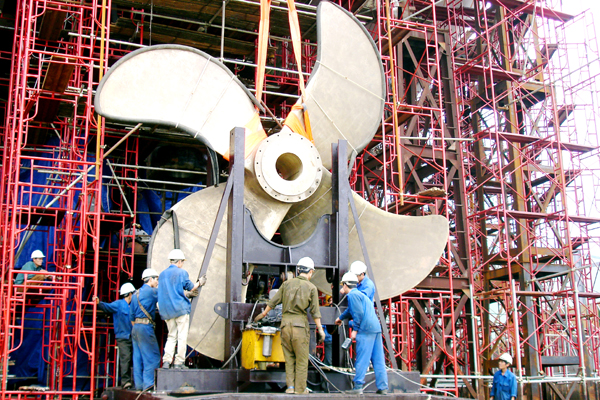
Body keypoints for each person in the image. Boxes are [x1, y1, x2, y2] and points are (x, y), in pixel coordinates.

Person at [254, 257, 326, 394]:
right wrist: (321, 330)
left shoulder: (286, 284)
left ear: (298, 270)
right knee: (302, 359)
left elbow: (272, 302)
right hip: (300, 326)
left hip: (285, 326)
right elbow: (315, 312)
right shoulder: (311, 288)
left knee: (289, 358)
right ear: (310, 272)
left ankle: (290, 387)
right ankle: (300, 389)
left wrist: (262, 315)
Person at [335, 272, 388, 395]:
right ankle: (383, 387)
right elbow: (351, 310)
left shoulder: (352, 296)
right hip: (375, 328)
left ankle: (358, 386)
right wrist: (341, 318)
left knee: (362, 358)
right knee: (378, 359)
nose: (342, 287)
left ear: (346, 284)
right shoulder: (359, 295)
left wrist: (355, 330)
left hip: (366, 329)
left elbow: (357, 314)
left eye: (342, 285)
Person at [157, 249, 206, 369]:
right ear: (179, 261)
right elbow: (191, 287)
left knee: (171, 335)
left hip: (167, 311)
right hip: (180, 309)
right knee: (182, 336)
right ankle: (179, 362)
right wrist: (200, 282)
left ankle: (167, 361)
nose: (182, 264)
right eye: (182, 261)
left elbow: (168, 292)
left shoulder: (162, 274)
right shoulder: (181, 273)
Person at [94, 282, 136, 389]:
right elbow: (107, 307)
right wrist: (99, 303)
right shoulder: (118, 304)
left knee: (135, 359)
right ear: (129, 294)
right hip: (123, 337)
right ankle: (125, 382)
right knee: (125, 359)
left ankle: (135, 381)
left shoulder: (133, 306)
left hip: (133, 336)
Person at [130, 268, 160, 391]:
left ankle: (139, 385)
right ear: (151, 279)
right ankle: (149, 385)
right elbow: (167, 296)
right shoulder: (151, 292)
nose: (157, 282)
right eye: (156, 279)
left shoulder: (135, 294)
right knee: (153, 356)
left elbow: (131, 316)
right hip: (145, 327)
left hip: (135, 328)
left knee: (137, 357)